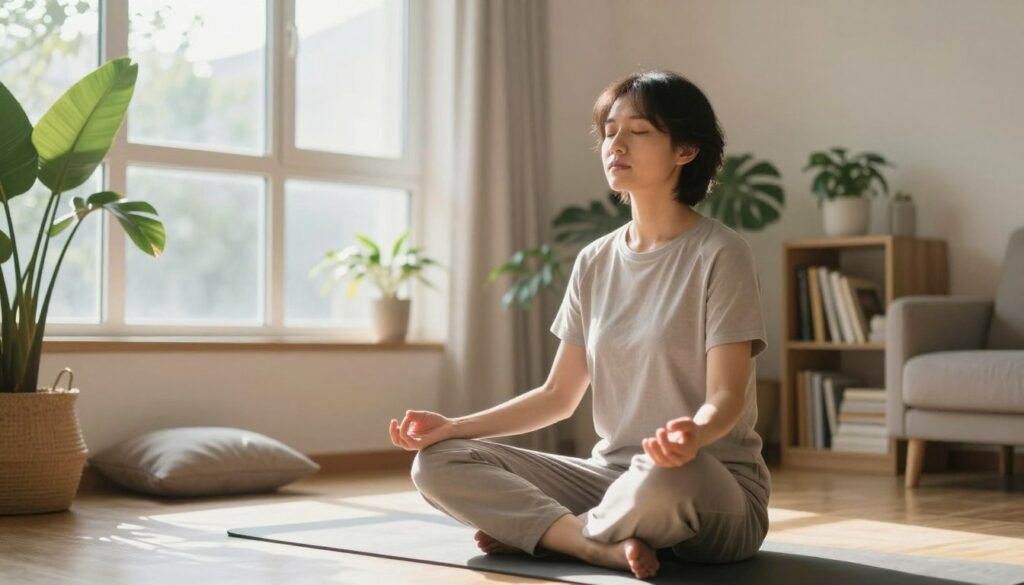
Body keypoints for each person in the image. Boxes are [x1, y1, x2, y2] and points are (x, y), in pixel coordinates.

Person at [388, 70, 769, 580]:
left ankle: (550, 536)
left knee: (661, 475)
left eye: (639, 131)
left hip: (707, 483)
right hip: (611, 481)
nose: (617, 143)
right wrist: (453, 427)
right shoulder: (594, 260)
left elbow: (727, 397)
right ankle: (594, 544)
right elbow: (556, 395)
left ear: (686, 150)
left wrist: (693, 436)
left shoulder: (722, 254)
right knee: (437, 462)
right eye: (610, 131)